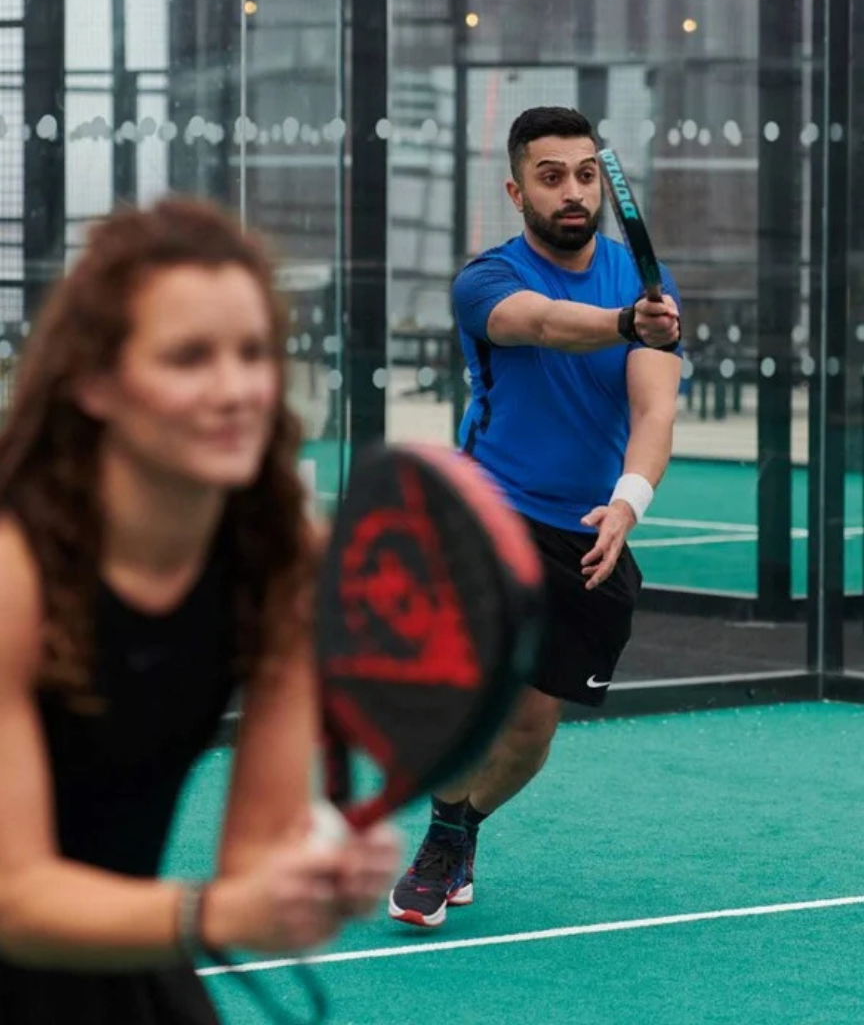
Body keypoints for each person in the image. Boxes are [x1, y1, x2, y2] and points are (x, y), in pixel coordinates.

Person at [0, 197, 399, 1023]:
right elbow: (13, 896)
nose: (235, 390)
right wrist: (217, 913)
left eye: (253, 353)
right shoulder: (12, 572)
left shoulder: (280, 555)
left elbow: (254, 854)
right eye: (188, 358)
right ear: (95, 383)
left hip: (117, 952)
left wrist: (313, 880)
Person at [389, 106, 682, 928]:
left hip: (586, 530)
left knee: (528, 729)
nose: (573, 191)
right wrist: (627, 323)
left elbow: (653, 414)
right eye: (551, 177)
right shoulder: (485, 279)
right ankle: (440, 844)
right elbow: (546, 326)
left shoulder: (646, 287)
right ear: (518, 191)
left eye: (586, 173)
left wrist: (629, 504)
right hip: (489, 510)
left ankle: (458, 826)